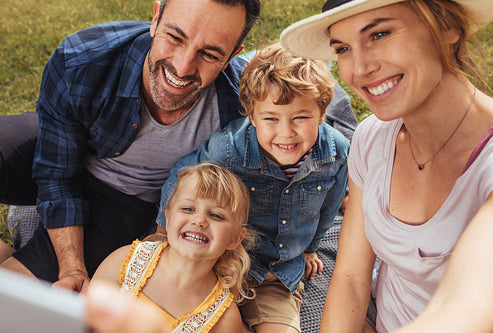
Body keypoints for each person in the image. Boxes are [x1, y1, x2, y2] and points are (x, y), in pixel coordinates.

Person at [0, 0, 260, 292]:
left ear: (232, 56)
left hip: (122, 197)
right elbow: (57, 174)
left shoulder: (244, 103)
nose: (183, 66)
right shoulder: (83, 58)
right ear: (156, 17)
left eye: (209, 54)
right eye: (175, 37)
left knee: (13, 297)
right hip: (69, 140)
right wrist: (71, 263)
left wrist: (74, 272)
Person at [280, 0, 493, 332]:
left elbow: (468, 307)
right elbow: (352, 278)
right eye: (343, 49)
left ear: (448, 26)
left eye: (380, 33)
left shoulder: (492, 162)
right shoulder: (372, 137)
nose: (358, 69)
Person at [155, 42, 350, 333]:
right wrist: (162, 235)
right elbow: (181, 176)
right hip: (220, 265)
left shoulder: (336, 153)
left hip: (278, 275)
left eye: (301, 118)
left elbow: (331, 206)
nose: (286, 132)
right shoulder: (229, 149)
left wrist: (310, 249)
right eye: (271, 118)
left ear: (322, 114)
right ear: (251, 114)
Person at [90, 163, 253, 332]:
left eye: (216, 215)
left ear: (235, 239)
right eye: (188, 209)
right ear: (167, 219)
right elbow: (83, 321)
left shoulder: (225, 319)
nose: (199, 221)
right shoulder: (126, 261)